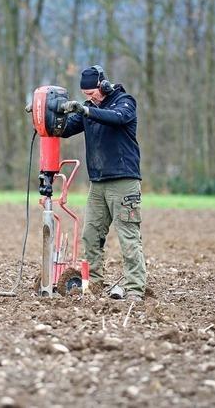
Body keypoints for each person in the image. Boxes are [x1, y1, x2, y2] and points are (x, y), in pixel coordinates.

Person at [60, 65, 146, 302]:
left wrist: (86, 111)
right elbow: (65, 129)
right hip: (97, 184)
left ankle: (135, 289)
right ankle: (95, 283)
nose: (90, 99)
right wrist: (48, 113)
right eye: (86, 95)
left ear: (104, 85)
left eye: (93, 93)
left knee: (128, 237)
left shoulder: (124, 102)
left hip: (124, 182)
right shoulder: (90, 109)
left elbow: (117, 118)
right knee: (90, 235)